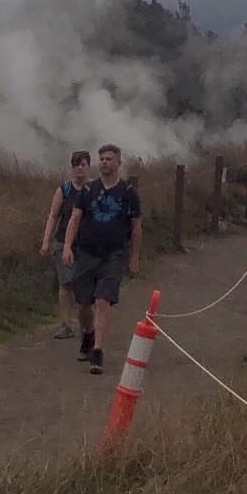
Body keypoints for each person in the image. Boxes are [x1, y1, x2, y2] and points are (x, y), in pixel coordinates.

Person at [61, 142, 142, 375]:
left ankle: (97, 350)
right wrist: (67, 246)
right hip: (86, 253)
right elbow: (75, 218)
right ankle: (88, 334)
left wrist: (134, 258)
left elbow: (136, 227)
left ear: (118, 162)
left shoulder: (127, 193)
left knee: (102, 300)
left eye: (109, 159)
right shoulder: (88, 190)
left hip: (113, 254)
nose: (105, 162)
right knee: (84, 302)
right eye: (102, 159)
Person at [39, 150, 93, 340]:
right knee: (65, 283)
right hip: (63, 241)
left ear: (88, 167)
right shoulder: (64, 189)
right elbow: (53, 216)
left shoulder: (93, 190)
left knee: (84, 285)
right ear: (71, 168)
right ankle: (66, 324)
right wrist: (46, 240)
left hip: (87, 244)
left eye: (83, 164)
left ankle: (86, 325)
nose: (80, 167)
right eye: (77, 164)